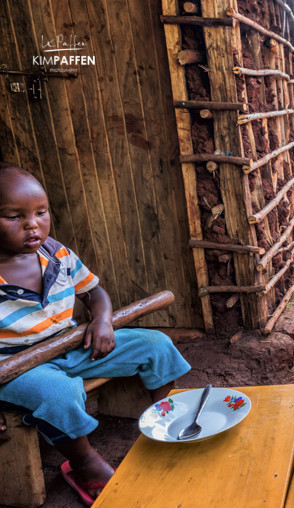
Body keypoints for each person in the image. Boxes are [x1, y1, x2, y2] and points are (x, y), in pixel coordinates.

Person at [0, 163, 191, 505]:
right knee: (59, 393)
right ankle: (84, 463)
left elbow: (93, 293)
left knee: (155, 345)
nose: (32, 224)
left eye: (41, 212)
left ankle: (167, 417)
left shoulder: (57, 255)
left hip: (73, 345)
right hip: (17, 369)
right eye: (13, 216)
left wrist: (101, 319)